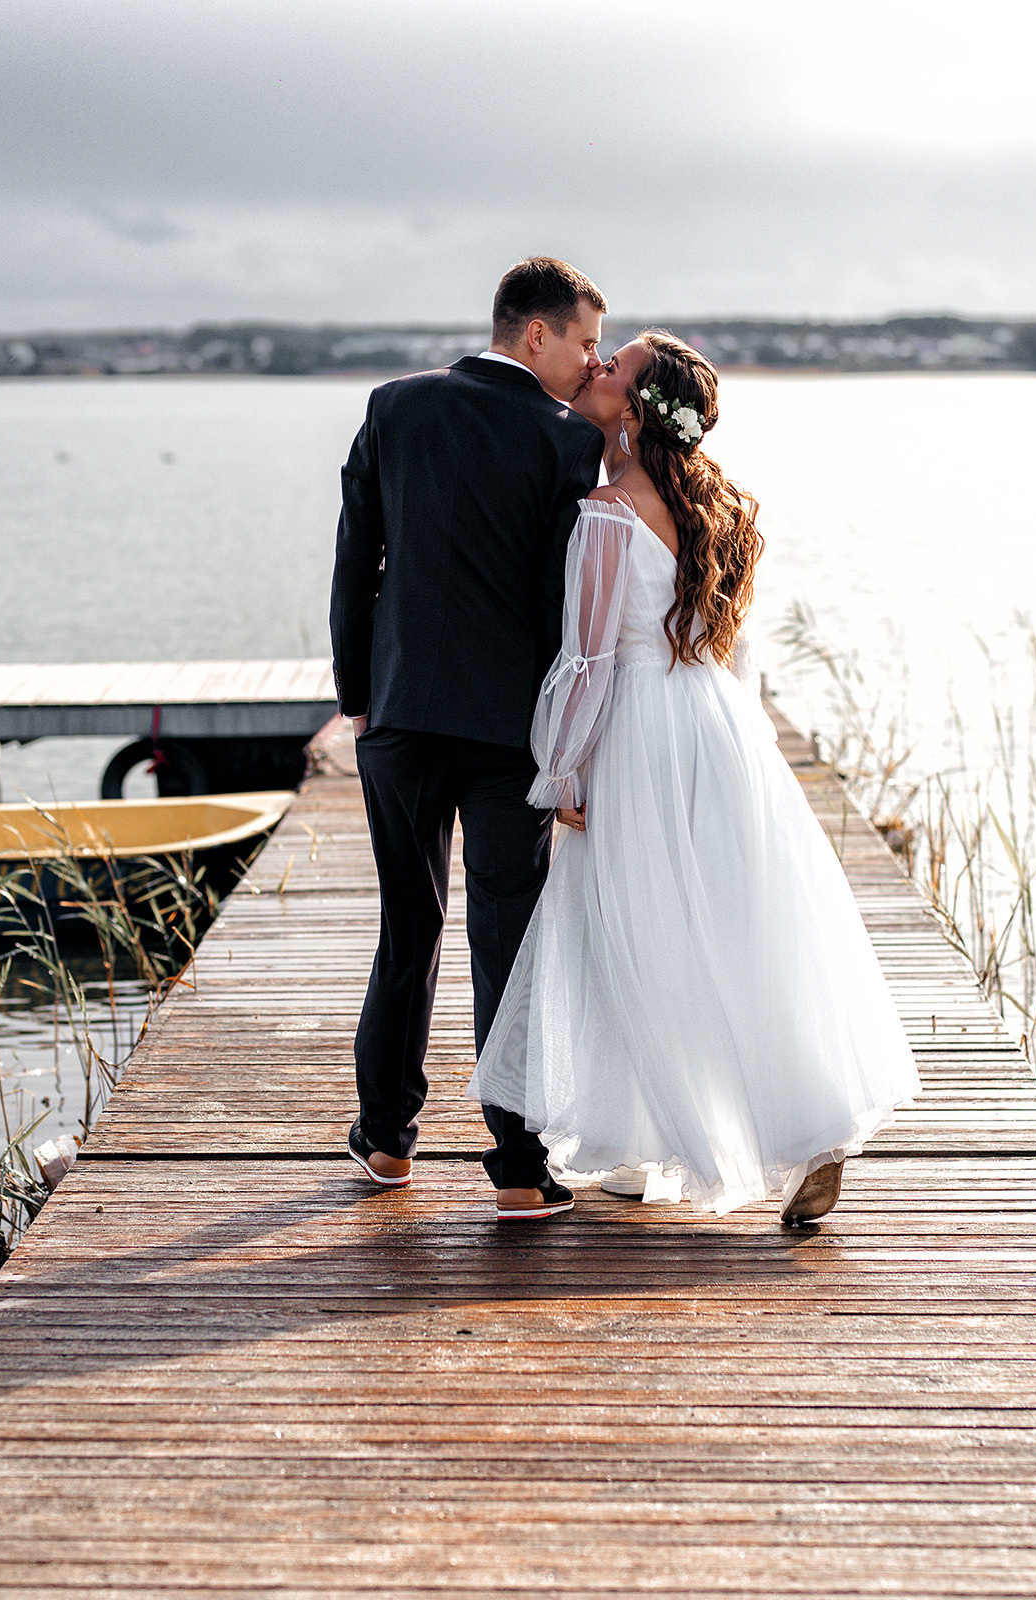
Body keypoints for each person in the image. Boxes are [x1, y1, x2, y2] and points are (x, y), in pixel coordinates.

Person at [469, 330, 922, 1223]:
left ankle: (653, 1138)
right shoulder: (712, 508)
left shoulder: (607, 511)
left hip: (638, 731)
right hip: (714, 723)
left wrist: (561, 768)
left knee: (631, 933)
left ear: (635, 412)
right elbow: (734, 647)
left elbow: (589, 659)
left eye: (616, 367)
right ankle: (794, 1134)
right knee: (732, 929)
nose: (596, 369)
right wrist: (740, 739)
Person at [329, 257, 607, 1222]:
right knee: (507, 942)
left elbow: (355, 559)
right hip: (507, 732)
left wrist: (356, 692)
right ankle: (520, 1171)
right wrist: (570, 739)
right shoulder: (566, 438)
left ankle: (388, 1143)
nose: (590, 360)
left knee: (408, 926)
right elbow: (563, 605)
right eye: (582, 341)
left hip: (400, 716)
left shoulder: (392, 407)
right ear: (535, 334)